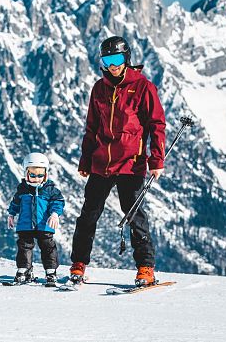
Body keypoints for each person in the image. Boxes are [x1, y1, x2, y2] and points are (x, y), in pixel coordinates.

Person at [69, 36, 167, 287]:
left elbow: (157, 125)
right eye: (107, 60)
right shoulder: (99, 89)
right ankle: (78, 263)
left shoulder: (144, 87)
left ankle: (145, 267)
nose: (112, 65)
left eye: (117, 59)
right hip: (102, 162)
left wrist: (156, 159)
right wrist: (86, 160)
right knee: (88, 214)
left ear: (127, 59)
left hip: (131, 163)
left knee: (134, 215)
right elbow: (91, 127)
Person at [6, 153, 65, 286]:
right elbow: (15, 203)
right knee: (24, 247)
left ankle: (51, 272)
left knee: (48, 247)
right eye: (32, 174)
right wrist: (11, 214)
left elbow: (58, 202)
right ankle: (23, 270)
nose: (36, 178)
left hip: (44, 225)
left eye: (40, 174)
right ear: (26, 173)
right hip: (25, 225)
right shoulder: (22, 190)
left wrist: (55, 214)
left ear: (45, 174)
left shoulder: (50, 190)